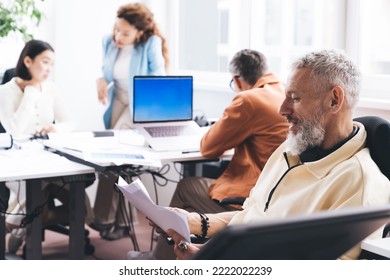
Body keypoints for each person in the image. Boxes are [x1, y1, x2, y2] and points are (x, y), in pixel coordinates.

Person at [159, 49, 390, 260]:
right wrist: (195, 223)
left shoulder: (358, 182)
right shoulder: (290, 148)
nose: (282, 110)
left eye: (295, 99)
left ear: (334, 100)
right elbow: (252, 215)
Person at [127, 49, 289, 259]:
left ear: (237, 80)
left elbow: (209, 147)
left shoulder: (248, 100)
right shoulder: (285, 93)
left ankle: (160, 259)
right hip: (280, 195)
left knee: (187, 186)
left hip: (252, 197)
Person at [0, 39, 93, 254]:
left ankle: (17, 226)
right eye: (45, 62)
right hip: (19, 165)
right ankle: (22, 226)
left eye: (52, 63)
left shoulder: (51, 88)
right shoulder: (5, 92)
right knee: (36, 206)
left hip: (50, 159)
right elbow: (14, 130)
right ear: (28, 61)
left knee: (85, 210)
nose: (49, 69)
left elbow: (70, 122)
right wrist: (31, 94)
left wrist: (54, 128)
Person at [91, 2, 169, 240]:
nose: (118, 36)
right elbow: (105, 72)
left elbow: (158, 78)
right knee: (120, 162)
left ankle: (104, 219)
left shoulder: (150, 44)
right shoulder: (109, 42)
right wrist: (100, 82)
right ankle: (123, 221)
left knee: (114, 155)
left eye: (125, 33)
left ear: (139, 32)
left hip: (139, 103)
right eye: (117, 30)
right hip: (119, 99)